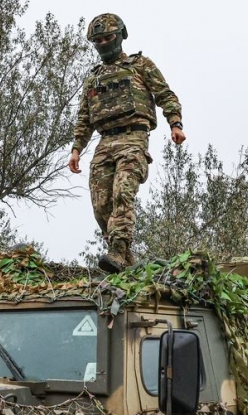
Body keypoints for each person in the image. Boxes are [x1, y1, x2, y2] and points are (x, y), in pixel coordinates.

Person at [68, 13, 186, 273]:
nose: (104, 43)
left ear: (121, 35)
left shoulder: (140, 65)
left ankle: (118, 252)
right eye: (98, 40)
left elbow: (165, 94)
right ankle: (125, 260)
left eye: (108, 37)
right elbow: (84, 118)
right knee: (101, 206)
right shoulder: (94, 78)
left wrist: (175, 123)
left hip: (133, 137)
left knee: (123, 193)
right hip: (104, 142)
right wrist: (77, 149)